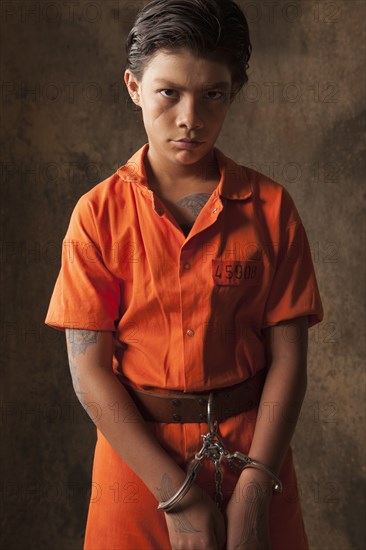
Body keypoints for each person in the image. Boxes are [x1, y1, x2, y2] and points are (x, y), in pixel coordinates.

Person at [44, 0, 324, 548]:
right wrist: (178, 495)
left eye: (212, 94)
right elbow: (90, 375)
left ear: (232, 94)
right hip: (139, 467)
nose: (190, 117)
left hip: (255, 457)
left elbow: (289, 360)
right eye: (169, 92)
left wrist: (253, 489)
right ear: (134, 87)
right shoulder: (97, 214)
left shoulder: (271, 208)